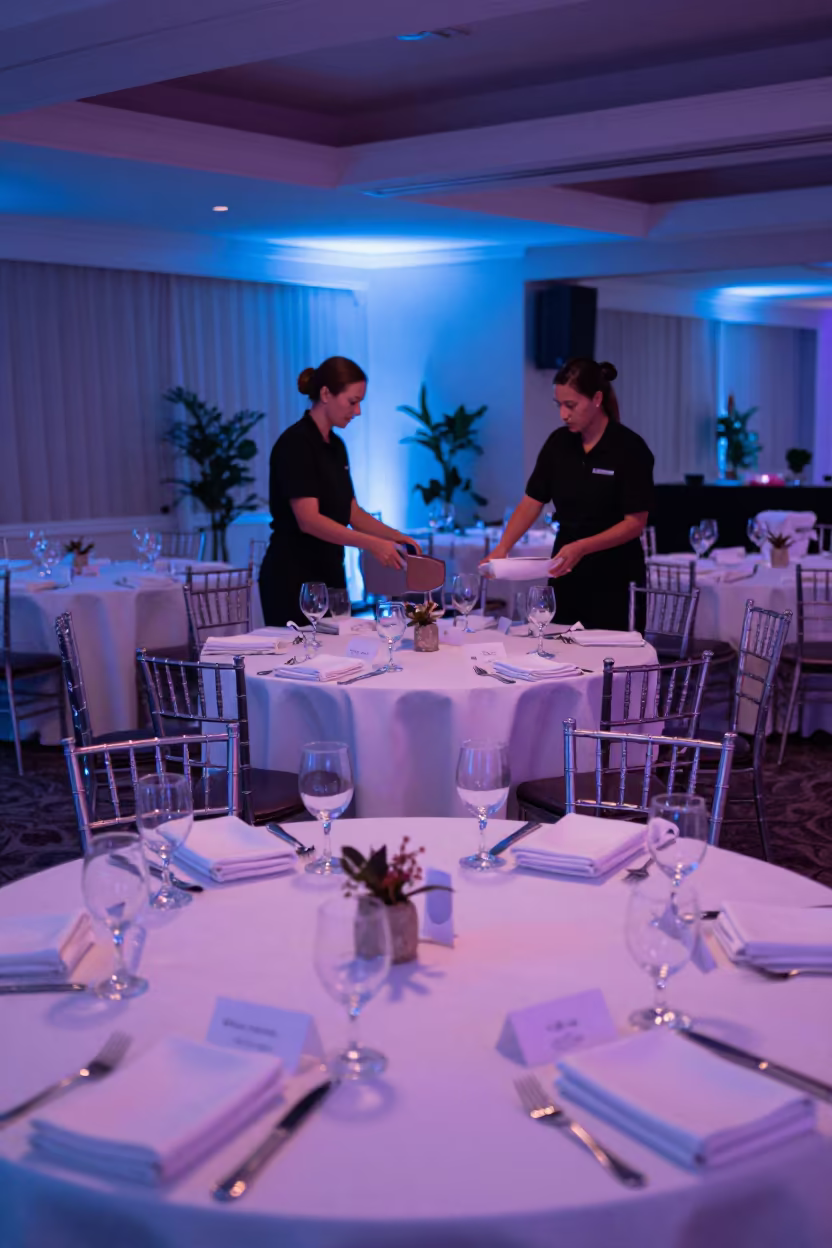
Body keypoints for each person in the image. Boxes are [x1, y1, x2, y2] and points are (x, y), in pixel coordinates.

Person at [486, 358, 654, 631]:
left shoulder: (629, 449)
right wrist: (503, 547)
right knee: (558, 648)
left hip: (614, 574)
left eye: (571, 405)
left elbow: (635, 524)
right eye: (559, 405)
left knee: (611, 660)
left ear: (597, 399)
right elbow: (532, 501)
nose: (563, 414)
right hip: (565, 570)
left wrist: (583, 546)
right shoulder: (558, 444)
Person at [258, 356, 420, 626]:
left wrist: (396, 537)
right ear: (325, 394)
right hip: (294, 576)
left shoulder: (336, 445)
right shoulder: (295, 443)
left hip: (330, 573)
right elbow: (308, 521)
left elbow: (352, 512)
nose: (357, 412)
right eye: (352, 401)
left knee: (338, 659)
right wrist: (372, 544)